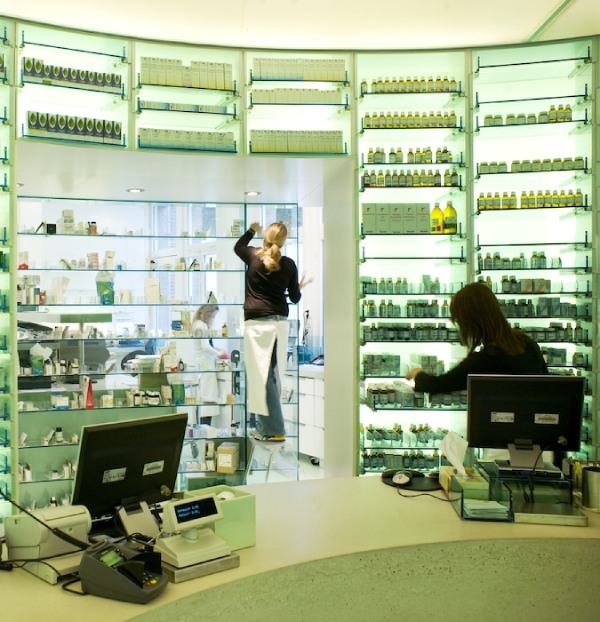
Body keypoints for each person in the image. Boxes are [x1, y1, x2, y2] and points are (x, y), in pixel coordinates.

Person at [234, 221, 311, 442]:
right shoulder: (288, 264)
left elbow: (238, 246)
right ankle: (265, 426)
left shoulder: (253, 256)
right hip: (279, 323)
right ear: (284, 240)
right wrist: (299, 287)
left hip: (258, 324)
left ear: (266, 236)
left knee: (262, 376)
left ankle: (273, 429)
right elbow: (295, 298)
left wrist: (251, 231)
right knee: (272, 376)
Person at [405, 281, 548, 393]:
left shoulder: (484, 360)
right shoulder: (528, 344)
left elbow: (439, 384)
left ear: (470, 321)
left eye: (459, 321)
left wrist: (418, 373)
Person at [192, 305, 228, 417]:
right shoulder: (202, 326)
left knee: (204, 395)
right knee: (208, 397)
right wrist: (220, 354)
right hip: (206, 363)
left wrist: (216, 350)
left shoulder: (196, 324)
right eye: (212, 316)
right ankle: (207, 427)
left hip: (200, 362)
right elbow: (206, 347)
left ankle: (204, 426)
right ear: (208, 314)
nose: (212, 319)